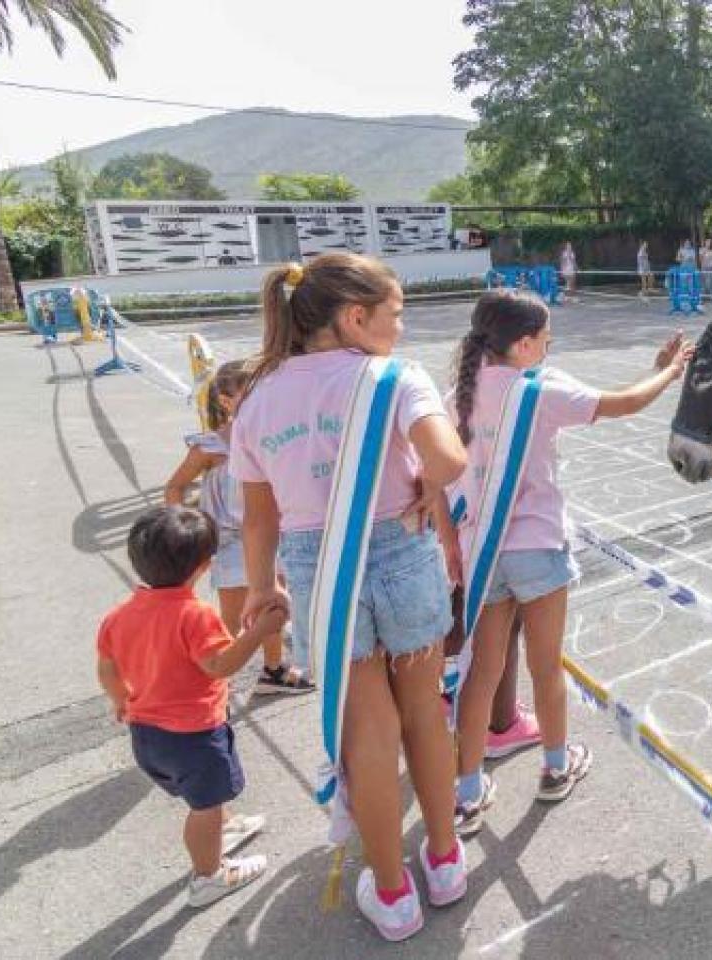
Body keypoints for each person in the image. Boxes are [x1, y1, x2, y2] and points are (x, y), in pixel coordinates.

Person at [232, 254, 470, 941]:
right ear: (354, 317)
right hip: (401, 551)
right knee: (425, 714)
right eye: (394, 315)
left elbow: (258, 517)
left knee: (368, 732)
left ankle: (393, 893)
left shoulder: (256, 395)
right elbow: (450, 460)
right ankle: (446, 861)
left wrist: (258, 586)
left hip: (317, 569)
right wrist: (427, 481)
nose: (400, 328)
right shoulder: (393, 377)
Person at [447, 290, 691, 835]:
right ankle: (556, 766)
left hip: (482, 551)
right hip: (537, 545)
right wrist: (671, 370)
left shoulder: (458, 395)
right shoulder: (539, 389)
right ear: (524, 343)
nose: (550, 347)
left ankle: (465, 793)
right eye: (546, 339)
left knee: (480, 674)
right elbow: (624, 403)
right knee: (545, 664)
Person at [96, 505, 289, 908]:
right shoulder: (195, 615)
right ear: (204, 566)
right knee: (204, 806)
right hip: (194, 738)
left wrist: (121, 700)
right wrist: (261, 631)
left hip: (146, 732)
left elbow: (107, 667)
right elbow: (220, 666)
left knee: (203, 799)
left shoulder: (118, 616)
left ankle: (225, 827)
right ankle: (208, 876)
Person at [162, 360, 312, 695]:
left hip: (272, 537)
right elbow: (175, 487)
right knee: (231, 618)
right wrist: (186, 533)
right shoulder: (211, 446)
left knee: (275, 607)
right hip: (229, 542)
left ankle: (273, 671)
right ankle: (219, 685)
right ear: (225, 402)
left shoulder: (274, 436)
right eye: (248, 393)